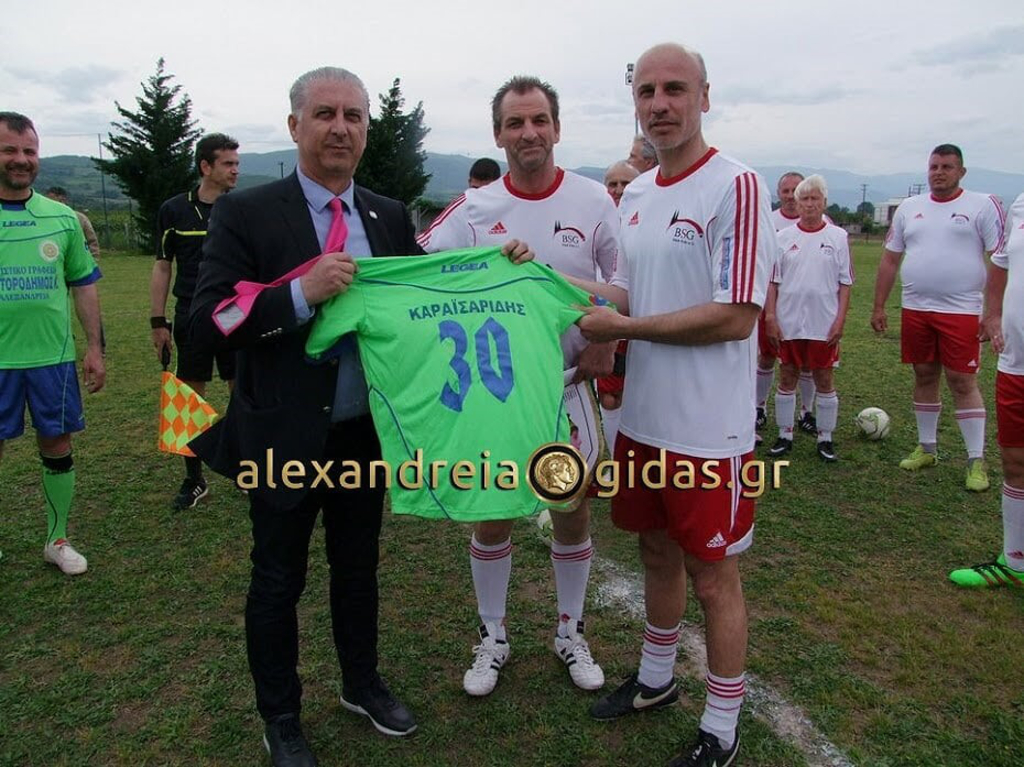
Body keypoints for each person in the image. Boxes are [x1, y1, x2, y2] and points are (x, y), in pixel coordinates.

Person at [187, 67, 425, 767]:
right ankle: (281, 714)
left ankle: (360, 682)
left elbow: (419, 302)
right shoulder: (248, 212)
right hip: (281, 434)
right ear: (295, 126)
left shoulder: (386, 213)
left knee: (357, 569)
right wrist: (297, 294)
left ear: (366, 129)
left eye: (354, 115)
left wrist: (491, 268)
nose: (341, 127)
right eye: (325, 113)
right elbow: (207, 323)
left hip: (360, 435)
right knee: (277, 578)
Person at [572, 43, 773, 766]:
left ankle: (722, 723)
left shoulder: (737, 185)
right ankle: (656, 680)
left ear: (704, 96)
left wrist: (622, 328)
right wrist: (557, 284)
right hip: (645, 423)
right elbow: (629, 292)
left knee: (714, 573)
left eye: (674, 89)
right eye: (647, 91)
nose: (659, 103)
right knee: (654, 550)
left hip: (710, 432)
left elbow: (734, 314)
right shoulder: (643, 192)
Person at [417, 75, 619, 698]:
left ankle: (569, 630)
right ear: (498, 134)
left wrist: (606, 339)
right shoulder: (474, 210)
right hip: (497, 395)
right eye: (515, 123)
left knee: (572, 509)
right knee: (495, 513)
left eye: (539, 121)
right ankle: (493, 634)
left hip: (565, 386)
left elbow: (625, 286)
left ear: (556, 128)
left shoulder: (596, 201)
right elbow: (423, 277)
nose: (528, 133)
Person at [0, 112, 105, 575]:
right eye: (10, 151)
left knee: (58, 444)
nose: (21, 160)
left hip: (52, 359)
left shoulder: (63, 219)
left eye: (29, 152)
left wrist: (95, 348)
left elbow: (83, 284)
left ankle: (57, 539)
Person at [872, 144, 1006, 491]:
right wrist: (879, 306)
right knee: (924, 374)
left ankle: (976, 460)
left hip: (962, 310)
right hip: (916, 308)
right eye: (933, 166)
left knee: (963, 382)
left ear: (961, 171)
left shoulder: (981, 205)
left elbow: (999, 260)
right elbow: (889, 260)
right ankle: (927, 448)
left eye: (947, 166)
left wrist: (993, 313)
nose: (938, 172)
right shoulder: (909, 208)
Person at [151, 133, 240, 511]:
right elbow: (162, 265)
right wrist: (158, 320)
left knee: (246, 392)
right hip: (191, 313)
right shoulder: (174, 210)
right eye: (228, 164)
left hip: (236, 312)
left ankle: (244, 470)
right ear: (206, 167)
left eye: (237, 164)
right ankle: (194, 480)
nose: (236, 170)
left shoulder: (242, 208)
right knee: (188, 399)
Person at [949, 191, 1024, 587]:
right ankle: (1015, 563)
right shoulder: (1019, 206)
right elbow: (1001, 265)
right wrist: (991, 313)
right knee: (1015, 462)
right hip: (1015, 362)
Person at [764, 175, 853, 462]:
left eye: (815, 199)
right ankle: (784, 434)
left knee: (824, 377)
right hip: (789, 321)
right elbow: (773, 283)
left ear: (824, 202)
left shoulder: (838, 237)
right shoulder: (782, 238)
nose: (809, 204)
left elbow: (845, 283)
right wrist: (770, 317)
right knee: (788, 373)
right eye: (804, 199)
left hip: (823, 323)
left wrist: (840, 320)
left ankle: (825, 438)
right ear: (796, 204)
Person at [599, 160, 640, 453]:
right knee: (609, 397)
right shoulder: (597, 221)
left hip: (641, 325)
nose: (618, 190)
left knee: (635, 395)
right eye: (612, 184)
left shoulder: (646, 222)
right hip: (608, 321)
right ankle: (617, 461)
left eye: (625, 184)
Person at [45, 186, 100, 258]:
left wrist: (94, 259)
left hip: (77, 260)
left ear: (62, 199)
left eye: (51, 201)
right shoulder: (44, 219)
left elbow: (92, 241)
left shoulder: (80, 218)